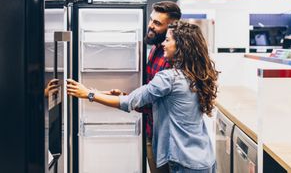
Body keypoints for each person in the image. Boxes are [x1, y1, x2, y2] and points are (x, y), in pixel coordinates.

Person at [67, 20, 219, 173]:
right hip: (204, 157)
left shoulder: (169, 78)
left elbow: (129, 102)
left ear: (181, 45)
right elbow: (158, 102)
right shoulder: (197, 74)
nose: (163, 44)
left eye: (167, 40)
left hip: (182, 161)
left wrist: (89, 94)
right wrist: (109, 94)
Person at [106, 1, 181, 173]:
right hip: (151, 130)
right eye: (151, 20)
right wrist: (126, 95)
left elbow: (153, 98)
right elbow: (150, 90)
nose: (150, 26)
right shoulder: (156, 48)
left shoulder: (173, 59)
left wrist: (92, 95)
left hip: (167, 139)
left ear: (172, 27)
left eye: (157, 23)